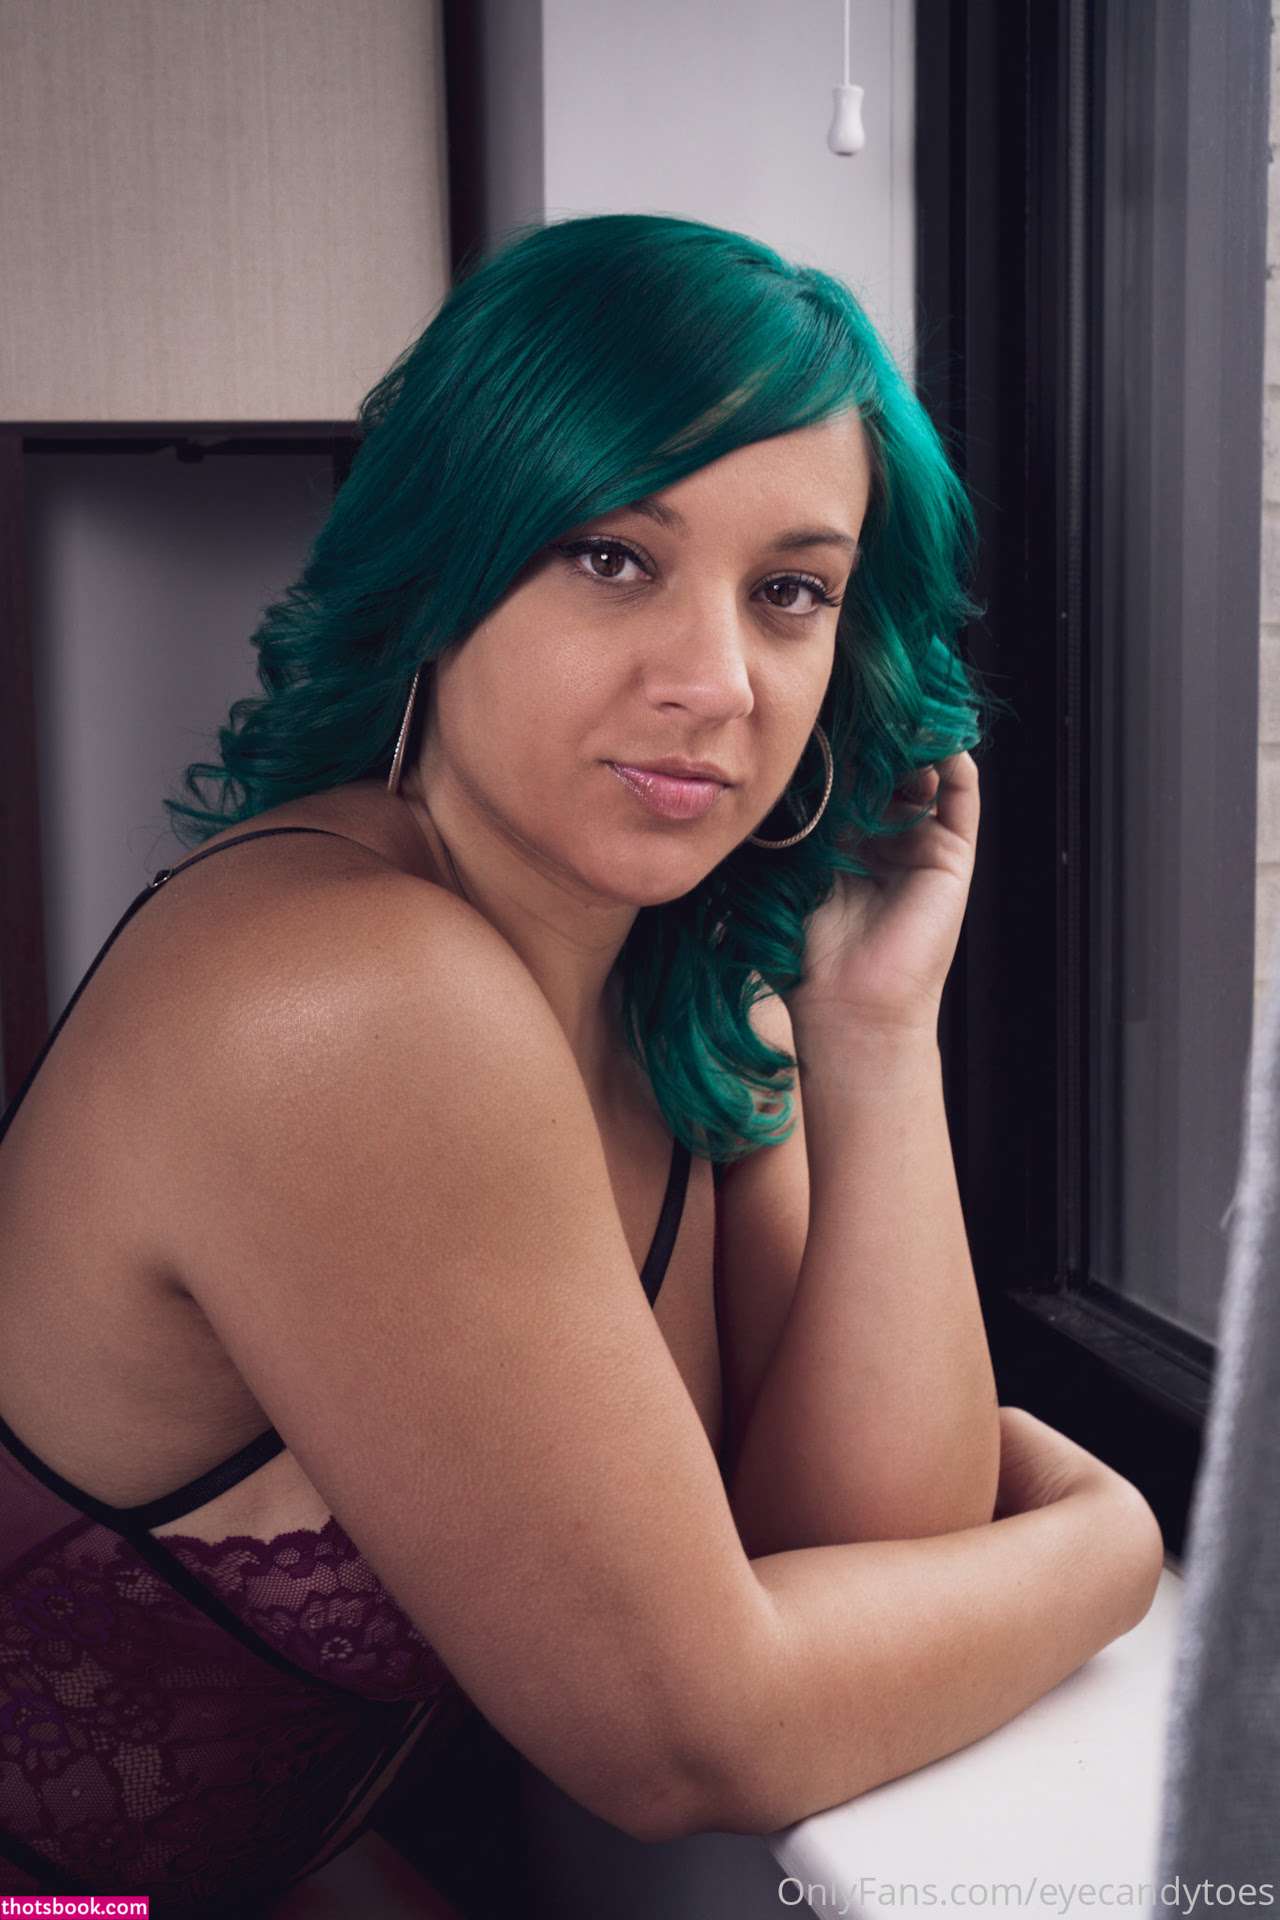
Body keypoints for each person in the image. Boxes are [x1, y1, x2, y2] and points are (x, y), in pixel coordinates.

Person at [0, 212, 1164, 1917]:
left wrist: (874, 1035)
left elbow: (853, 1561)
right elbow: (694, 1740)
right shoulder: (350, 996)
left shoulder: (693, 1003)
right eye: (613, 557)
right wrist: (1118, 1541)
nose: (716, 682)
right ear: (444, 566)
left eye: (790, 592)